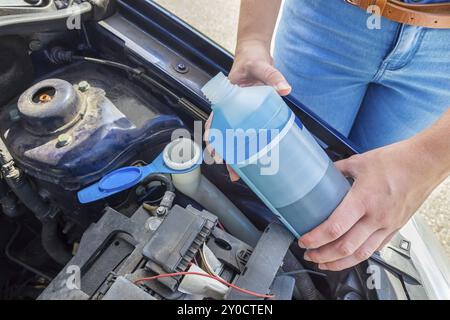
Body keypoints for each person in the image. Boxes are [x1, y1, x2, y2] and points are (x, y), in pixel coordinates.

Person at [206, 0, 450, 271]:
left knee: (357, 212)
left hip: (442, 58)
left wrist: (426, 162)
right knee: (289, 188)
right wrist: (253, 39)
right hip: (327, 19)